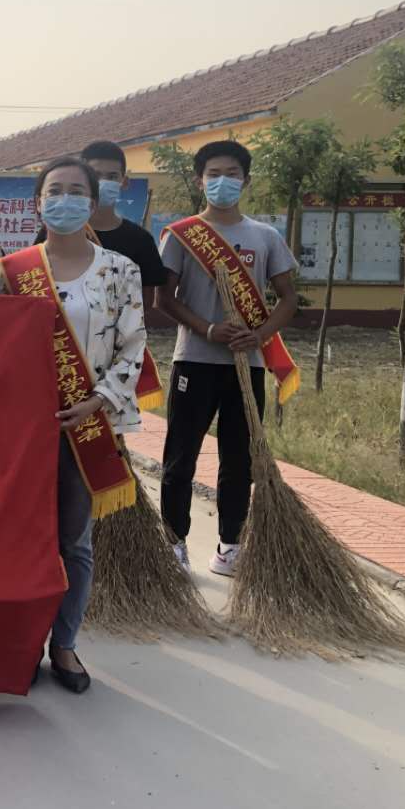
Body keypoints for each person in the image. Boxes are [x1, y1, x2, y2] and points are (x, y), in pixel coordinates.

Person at [0, 156, 146, 695]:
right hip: (23, 429)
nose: (64, 199)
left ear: (93, 199)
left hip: (88, 426)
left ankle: (64, 644)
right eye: (54, 190)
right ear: (38, 202)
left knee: (75, 542)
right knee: (20, 538)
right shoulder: (13, 270)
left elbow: (133, 346)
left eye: (75, 190)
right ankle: (19, 643)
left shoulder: (120, 269)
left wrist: (96, 402)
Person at [156, 140, 298, 577]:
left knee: (239, 460)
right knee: (181, 456)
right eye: (214, 174)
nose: (223, 181)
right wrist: (208, 329)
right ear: (200, 181)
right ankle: (174, 542)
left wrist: (260, 335)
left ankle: (229, 546)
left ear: (246, 181)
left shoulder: (265, 236)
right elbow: (165, 299)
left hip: (246, 364)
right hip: (194, 361)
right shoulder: (182, 234)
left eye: (232, 174)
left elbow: (288, 298)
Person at [34, 141, 167, 310]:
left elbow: (145, 302)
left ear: (124, 182)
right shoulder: (54, 233)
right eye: (96, 175)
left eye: (112, 177)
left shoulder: (141, 239)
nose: (102, 183)